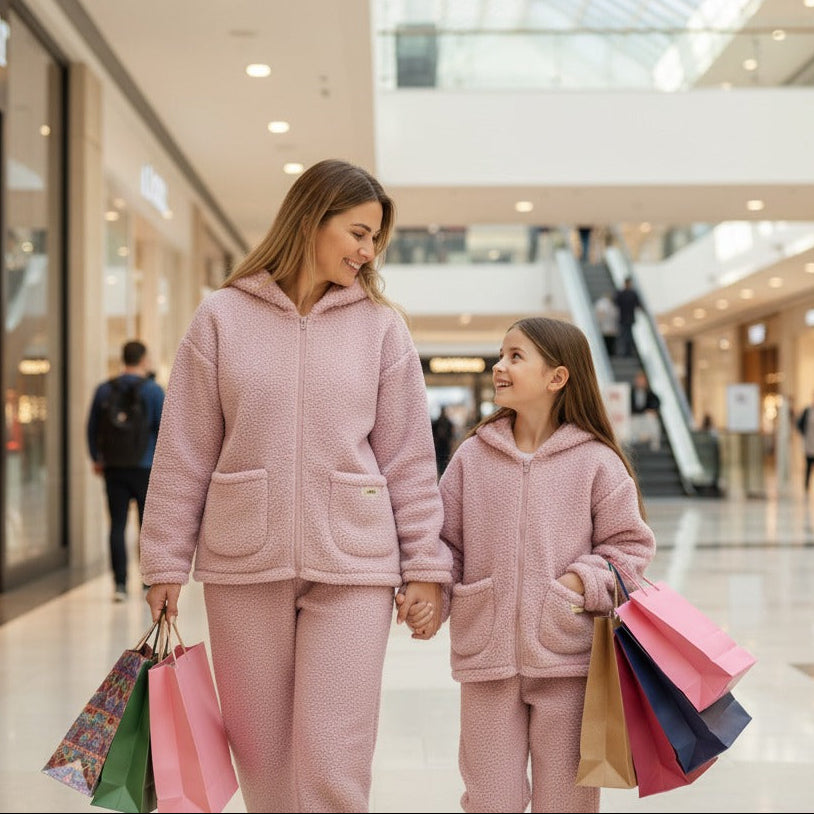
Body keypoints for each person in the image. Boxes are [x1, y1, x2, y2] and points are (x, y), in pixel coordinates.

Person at [138, 159, 453, 813]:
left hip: (355, 566)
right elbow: (183, 451)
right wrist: (164, 560)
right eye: (358, 233)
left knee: (335, 757)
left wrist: (426, 565)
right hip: (243, 564)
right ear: (311, 220)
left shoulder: (382, 328)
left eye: (375, 240)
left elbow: (409, 459)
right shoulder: (221, 317)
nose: (367, 252)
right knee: (263, 759)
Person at [404, 316, 656, 813]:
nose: (499, 366)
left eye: (515, 357)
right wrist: (433, 592)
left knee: (566, 801)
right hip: (486, 658)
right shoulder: (473, 457)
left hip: (569, 661)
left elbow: (629, 550)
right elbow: (446, 543)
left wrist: (575, 584)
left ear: (557, 377)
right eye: (501, 355)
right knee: (490, 799)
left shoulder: (596, 461)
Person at [86, 340, 165, 602]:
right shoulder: (153, 391)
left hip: (114, 467)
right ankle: (146, 582)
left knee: (117, 525)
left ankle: (119, 585)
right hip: (145, 468)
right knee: (146, 527)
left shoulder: (104, 390)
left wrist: (97, 458)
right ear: (143, 359)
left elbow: (92, 428)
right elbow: (165, 431)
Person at [630, 369, 662, 451]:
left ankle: (654, 441)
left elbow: (656, 402)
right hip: (633, 417)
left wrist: (652, 410)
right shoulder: (630, 392)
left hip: (645, 417)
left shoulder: (650, 394)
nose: (640, 382)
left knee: (651, 418)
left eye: (642, 380)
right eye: (639, 379)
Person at [614, 276, 642, 358]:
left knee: (627, 334)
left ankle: (628, 351)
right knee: (626, 334)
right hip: (625, 317)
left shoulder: (626, 293)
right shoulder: (629, 293)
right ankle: (627, 351)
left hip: (626, 318)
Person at [431, 405, 455, 476]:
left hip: (445, 445)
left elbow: (451, 435)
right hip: (439, 445)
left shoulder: (448, 423)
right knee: (440, 461)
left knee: (444, 460)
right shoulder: (437, 423)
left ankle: (444, 474)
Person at [796, 395, 814, 492]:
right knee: (808, 465)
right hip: (809, 442)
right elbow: (799, 424)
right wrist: (804, 434)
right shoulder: (807, 411)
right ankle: (806, 485)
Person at [593, 290, 619, 356]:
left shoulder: (605, 303)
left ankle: (609, 353)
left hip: (607, 327)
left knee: (608, 341)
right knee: (608, 341)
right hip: (607, 326)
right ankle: (609, 353)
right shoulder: (606, 304)